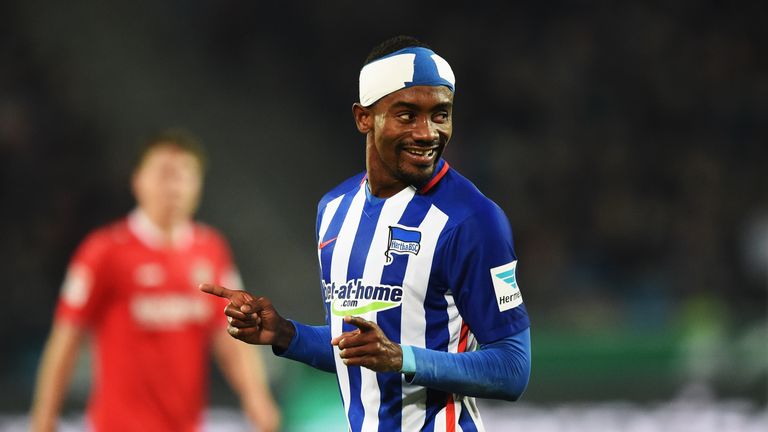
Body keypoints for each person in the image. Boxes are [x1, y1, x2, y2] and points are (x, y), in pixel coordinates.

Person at [202, 35, 531, 431]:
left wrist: (404, 359)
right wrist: (287, 334)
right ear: (363, 118)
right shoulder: (334, 211)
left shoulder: (473, 220)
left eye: (440, 114)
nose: (428, 133)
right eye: (407, 115)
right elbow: (360, 350)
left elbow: (513, 366)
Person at [30, 129, 280, 432]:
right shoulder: (104, 251)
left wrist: (256, 397)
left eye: (184, 175)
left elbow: (227, 336)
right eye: (164, 173)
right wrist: (44, 416)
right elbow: (66, 337)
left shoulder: (211, 250)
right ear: (137, 180)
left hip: (185, 425)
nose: (174, 186)